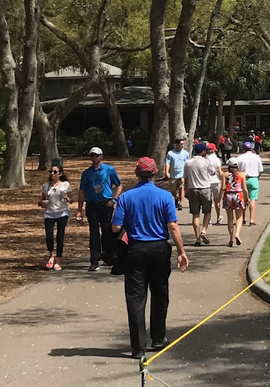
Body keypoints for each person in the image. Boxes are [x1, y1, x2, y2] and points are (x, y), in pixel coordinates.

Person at [112, 157, 189, 358]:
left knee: (136, 298)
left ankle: (138, 347)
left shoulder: (126, 197)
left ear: (137, 173)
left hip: (135, 249)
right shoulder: (166, 196)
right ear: (154, 173)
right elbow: (173, 226)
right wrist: (181, 251)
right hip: (159, 249)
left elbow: (116, 227)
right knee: (160, 293)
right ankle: (158, 337)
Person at [76, 147, 122, 271]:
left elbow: (118, 185)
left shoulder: (109, 170)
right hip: (92, 204)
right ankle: (94, 260)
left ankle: (108, 256)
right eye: (92, 155)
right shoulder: (86, 173)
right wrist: (79, 209)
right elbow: (82, 191)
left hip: (106, 204)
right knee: (94, 232)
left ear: (101, 156)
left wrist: (114, 200)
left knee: (107, 231)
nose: (94, 158)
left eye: (96, 155)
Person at [183, 143, 220, 245]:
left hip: (193, 189)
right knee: (207, 211)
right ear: (203, 151)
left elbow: (186, 178)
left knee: (195, 214)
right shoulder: (206, 162)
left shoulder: (188, 163)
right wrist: (207, 159)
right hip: (205, 188)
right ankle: (204, 230)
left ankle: (197, 237)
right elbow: (213, 172)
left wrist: (186, 190)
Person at [39, 164, 72, 270]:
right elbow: (42, 200)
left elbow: (71, 199)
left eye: (55, 172)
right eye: (51, 171)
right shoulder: (46, 185)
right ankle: (51, 256)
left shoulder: (65, 185)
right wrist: (42, 203)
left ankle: (58, 260)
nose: (52, 174)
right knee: (49, 236)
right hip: (49, 213)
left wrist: (67, 198)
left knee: (60, 237)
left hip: (62, 212)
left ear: (60, 174)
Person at [235, 142, 264, 226]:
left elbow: (237, 169)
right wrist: (257, 177)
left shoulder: (240, 157)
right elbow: (260, 170)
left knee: (243, 199)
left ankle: (243, 218)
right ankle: (251, 219)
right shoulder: (256, 157)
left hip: (242, 178)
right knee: (252, 199)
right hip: (253, 178)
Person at [221, 161, 247, 247]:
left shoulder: (225, 174)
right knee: (239, 217)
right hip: (238, 195)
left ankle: (231, 238)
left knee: (230, 218)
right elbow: (244, 188)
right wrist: (247, 198)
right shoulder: (241, 174)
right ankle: (237, 234)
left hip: (228, 195)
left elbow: (223, 187)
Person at [164, 138, 189, 204]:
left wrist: (187, 173)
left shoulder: (186, 153)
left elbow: (187, 164)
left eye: (183, 144)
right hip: (173, 174)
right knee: (173, 189)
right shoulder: (171, 153)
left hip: (182, 174)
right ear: (176, 144)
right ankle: (175, 199)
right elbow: (167, 163)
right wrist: (167, 172)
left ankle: (180, 203)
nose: (182, 145)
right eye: (181, 144)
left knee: (181, 188)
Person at [206, 142, 224, 226]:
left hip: (207, 182)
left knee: (208, 201)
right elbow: (219, 172)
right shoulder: (216, 159)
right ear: (214, 150)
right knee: (217, 201)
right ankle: (218, 216)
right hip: (215, 181)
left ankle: (208, 220)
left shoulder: (205, 159)